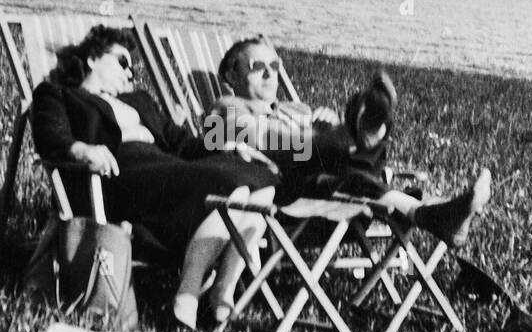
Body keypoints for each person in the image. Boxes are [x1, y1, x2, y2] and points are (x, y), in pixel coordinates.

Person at [31, 26, 276, 329]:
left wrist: (226, 145)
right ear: (94, 58)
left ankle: (222, 288)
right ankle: (188, 291)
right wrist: (81, 148)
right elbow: (49, 135)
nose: (129, 72)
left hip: (168, 169)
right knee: (233, 186)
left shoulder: (139, 100)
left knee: (262, 182)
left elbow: (181, 143)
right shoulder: (61, 94)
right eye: (122, 62)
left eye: (132, 68)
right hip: (125, 175)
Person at [205, 38, 492, 247]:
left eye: (275, 65)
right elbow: (240, 136)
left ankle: (426, 207)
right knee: (347, 157)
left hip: (326, 188)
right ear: (231, 75)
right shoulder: (226, 106)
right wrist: (316, 139)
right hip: (278, 191)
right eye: (257, 66)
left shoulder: (297, 109)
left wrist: (326, 126)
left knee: (351, 164)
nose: (270, 73)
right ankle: (368, 133)